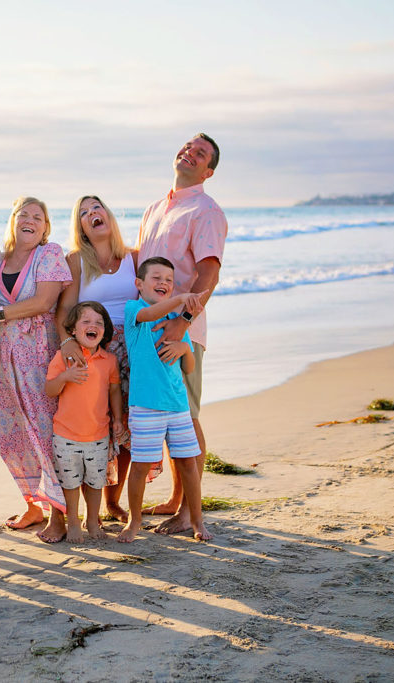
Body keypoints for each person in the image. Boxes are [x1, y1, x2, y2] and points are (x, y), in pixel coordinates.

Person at [135, 134, 228, 535]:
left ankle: (191, 511)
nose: (190, 152)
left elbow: (209, 273)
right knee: (166, 414)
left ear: (208, 171)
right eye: (188, 146)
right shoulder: (156, 207)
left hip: (181, 330)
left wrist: (184, 323)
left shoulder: (206, 210)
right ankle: (177, 499)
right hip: (149, 328)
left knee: (185, 416)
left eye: (201, 153)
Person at [54, 195, 144, 531]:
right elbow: (63, 311)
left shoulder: (134, 257)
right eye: (84, 212)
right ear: (81, 226)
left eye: (97, 208)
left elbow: (153, 295)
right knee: (95, 423)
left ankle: (114, 500)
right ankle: (85, 505)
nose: (93, 214)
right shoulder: (76, 260)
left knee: (127, 423)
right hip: (95, 348)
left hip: (133, 347)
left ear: (108, 215)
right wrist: (66, 343)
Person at [0, 196, 71, 538]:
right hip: (5, 360)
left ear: (45, 228)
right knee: (14, 436)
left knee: (44, 431)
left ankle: (59, 516)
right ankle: (33, 506)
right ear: (12, 221)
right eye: (23, 214)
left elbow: (44, 301)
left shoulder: (49, 254)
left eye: (38, 216)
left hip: (39, 356)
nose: (30, 220)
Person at [118, 257, 212, 542]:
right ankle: (134, 520)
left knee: (187, 462)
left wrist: (185, 347)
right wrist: (182, 299)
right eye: (156, 278)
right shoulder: (134, 311)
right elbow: (150, 314)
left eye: (169, 281)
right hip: (146, 404)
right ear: (139, 284)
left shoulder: (174, 323)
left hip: (178, 405)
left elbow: (189, 368)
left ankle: (196, 519)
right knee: (141, 464)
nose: (163, 283)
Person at [44, 301, 123, 544]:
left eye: (99, 323)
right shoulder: (63, 357)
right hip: (65, 435)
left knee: (95, 482)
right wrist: (66, 376)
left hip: (98, 435)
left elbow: (114, 392)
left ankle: (92, 520)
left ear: (105, 330)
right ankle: (74, 522)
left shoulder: (108, 360)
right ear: (73, 330)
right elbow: (49, 390)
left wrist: (118, 419)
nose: (93, 326)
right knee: (70, 482)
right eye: (86, 321)